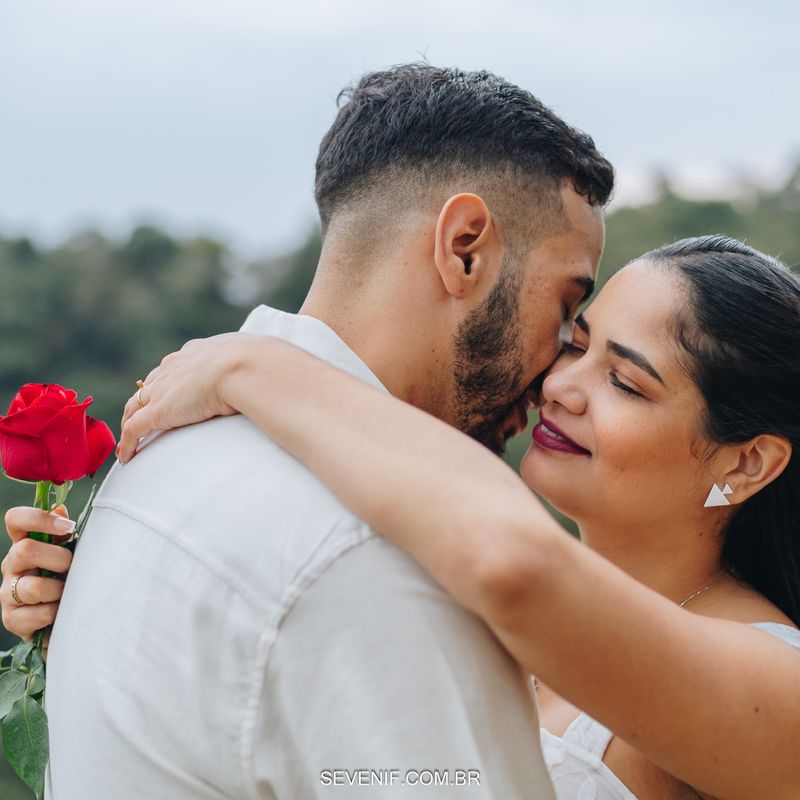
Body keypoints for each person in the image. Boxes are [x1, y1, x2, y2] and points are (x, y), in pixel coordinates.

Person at [0, 64, 614, 799]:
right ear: (464, 249)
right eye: (568, 305)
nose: (561, 368)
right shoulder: (380, 555)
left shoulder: (157, 455)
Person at [8, 235, 800, 800]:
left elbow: (517, 564)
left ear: (746, 461)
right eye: (576, 344)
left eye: (627, 384)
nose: (561, 385)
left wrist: (260, 365)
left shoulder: (781, 683)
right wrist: (127, 598)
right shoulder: (466, 593)